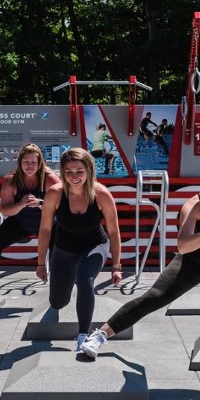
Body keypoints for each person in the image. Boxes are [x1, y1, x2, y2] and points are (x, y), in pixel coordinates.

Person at [81, 145, 200, 397]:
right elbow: (182, 245)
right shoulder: (195, 205)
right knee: (154, 297)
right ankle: (99, 335)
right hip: (194, 260)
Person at [36, 147, 122, 353]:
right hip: (64, 247)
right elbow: (45, 229)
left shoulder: (101, 194)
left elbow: (113, 231)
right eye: (69, 172)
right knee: (58, 301)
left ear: (89, 170)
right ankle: (63, 293)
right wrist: (40, 263)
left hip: (94, 245)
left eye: (79, 171)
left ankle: (83, 336)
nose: (74, 177)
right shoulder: (55, 193)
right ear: (62, 172)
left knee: (85, 279)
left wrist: (116, 266)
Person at [0, 143, 60, 294]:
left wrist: (41, 203)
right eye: (26, 162)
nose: (29, 166)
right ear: (20, 163)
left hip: (48, 223)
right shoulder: (11, 179)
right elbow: (5, 210)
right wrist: (21, 204)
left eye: (33, 162)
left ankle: (63, 280)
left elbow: (62, 208)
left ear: (40, 163)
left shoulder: (50, 179)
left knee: (61, 250)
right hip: (21, 222)